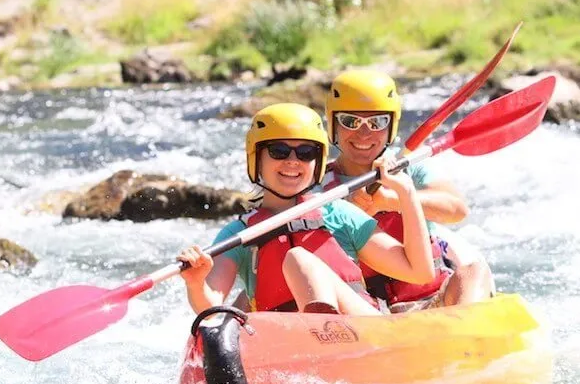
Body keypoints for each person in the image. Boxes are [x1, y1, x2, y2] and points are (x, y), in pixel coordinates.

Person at [177, 103, 436, 316]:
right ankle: (319, 339)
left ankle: (326, 334)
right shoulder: (239, 234)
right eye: (278, 151)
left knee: (299, 259)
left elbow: (420, 273)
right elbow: (211, 308)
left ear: (318, 161)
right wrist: (196, 283)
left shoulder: (338, 214)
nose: (292, 161)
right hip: (291, 345)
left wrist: (406, 194)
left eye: (305, 152)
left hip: (362, 332)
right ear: (257, 158)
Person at [323, 69, 495, 313]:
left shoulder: (410, 168)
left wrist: (391, 200)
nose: (364, 133)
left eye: (377, 122)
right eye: (350, 121)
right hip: (366, 313)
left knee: (474, 271)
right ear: (333, 124)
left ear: (391, 125)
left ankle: (467, 336)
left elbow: (457, 210)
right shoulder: (319, 186)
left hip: (433, 300)